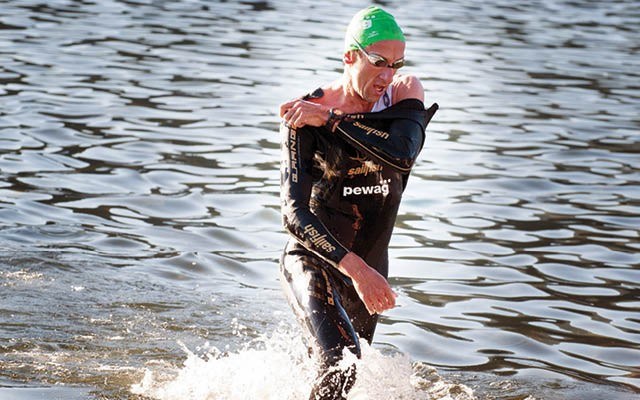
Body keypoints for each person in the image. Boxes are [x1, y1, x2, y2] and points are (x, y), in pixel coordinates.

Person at [278, 6, 438, 400]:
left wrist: (331, 119)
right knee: (340, 364)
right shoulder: (304, 112)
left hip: (369, 266)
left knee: (336, 376)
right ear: (349, 56)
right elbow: (293, 215)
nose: (387, 76)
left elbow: (402, 152)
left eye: (396, 63)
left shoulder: (403, 92)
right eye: (378, 62)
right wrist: (356, 270)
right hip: (317, 261)